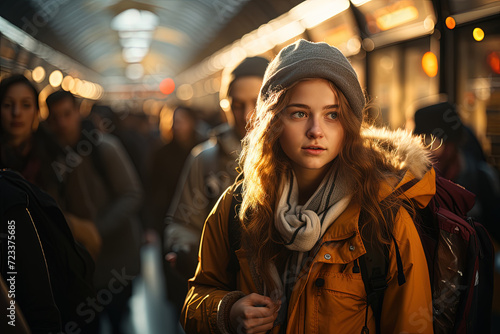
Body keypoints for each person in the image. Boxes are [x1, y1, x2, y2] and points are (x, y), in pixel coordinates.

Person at [181, 39, 435, 333]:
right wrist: (227, 310)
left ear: (349, 125)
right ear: (272, 121)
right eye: (299, 113)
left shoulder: (383, 217)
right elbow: (193, 302)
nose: (316, 131)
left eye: (332, 115)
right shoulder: (236, 207)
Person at [163, 57, 268, 314]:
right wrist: (189, 252)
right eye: (236, 105)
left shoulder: (296, 156)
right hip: (225, 296)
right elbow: (183, 222)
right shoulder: (205, 160)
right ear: (225, 105)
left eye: (256, 103)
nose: (247, 116)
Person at [45, 90, 143, 334]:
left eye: (67, 114)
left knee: (118, 320)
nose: (62, 123)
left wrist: (94, 230)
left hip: (115, 260)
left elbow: (132, 194)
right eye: (55, 117)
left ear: (78, 112)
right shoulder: (48, 158)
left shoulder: (104, 148)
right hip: (80, 266)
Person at [413, 102, 500, 243]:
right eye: (423, 144)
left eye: (435, 143)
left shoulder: (482, 179)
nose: (429, 153)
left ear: (452, 144)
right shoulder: (417, 185)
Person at [0, 74, 61, 191]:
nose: (16, 112)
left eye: (26, 105)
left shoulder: (55, 156)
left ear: (36, 112)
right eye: (7, 105)